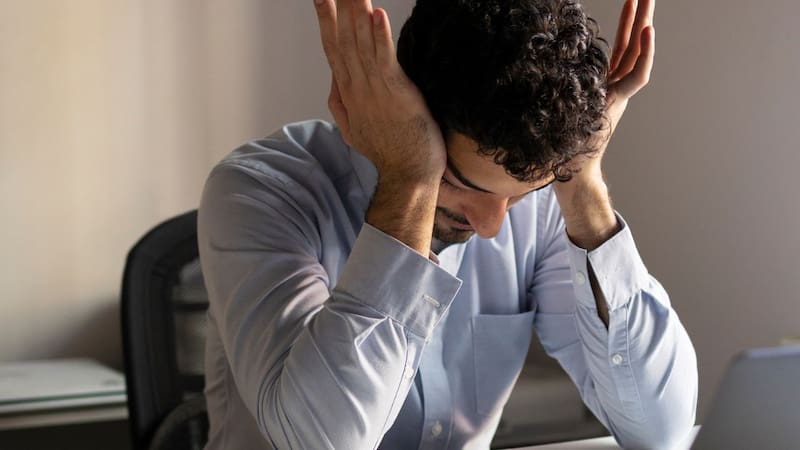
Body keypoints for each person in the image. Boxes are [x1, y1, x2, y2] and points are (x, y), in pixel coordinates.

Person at [197, 0, 698, 448]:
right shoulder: (257, 190)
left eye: (523, 196)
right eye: (466, 186)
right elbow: (323, 441)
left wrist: (581, 181)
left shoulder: (540, 203)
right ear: (404, 108)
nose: (491, 227)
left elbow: (662, 431)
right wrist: (410, 182)